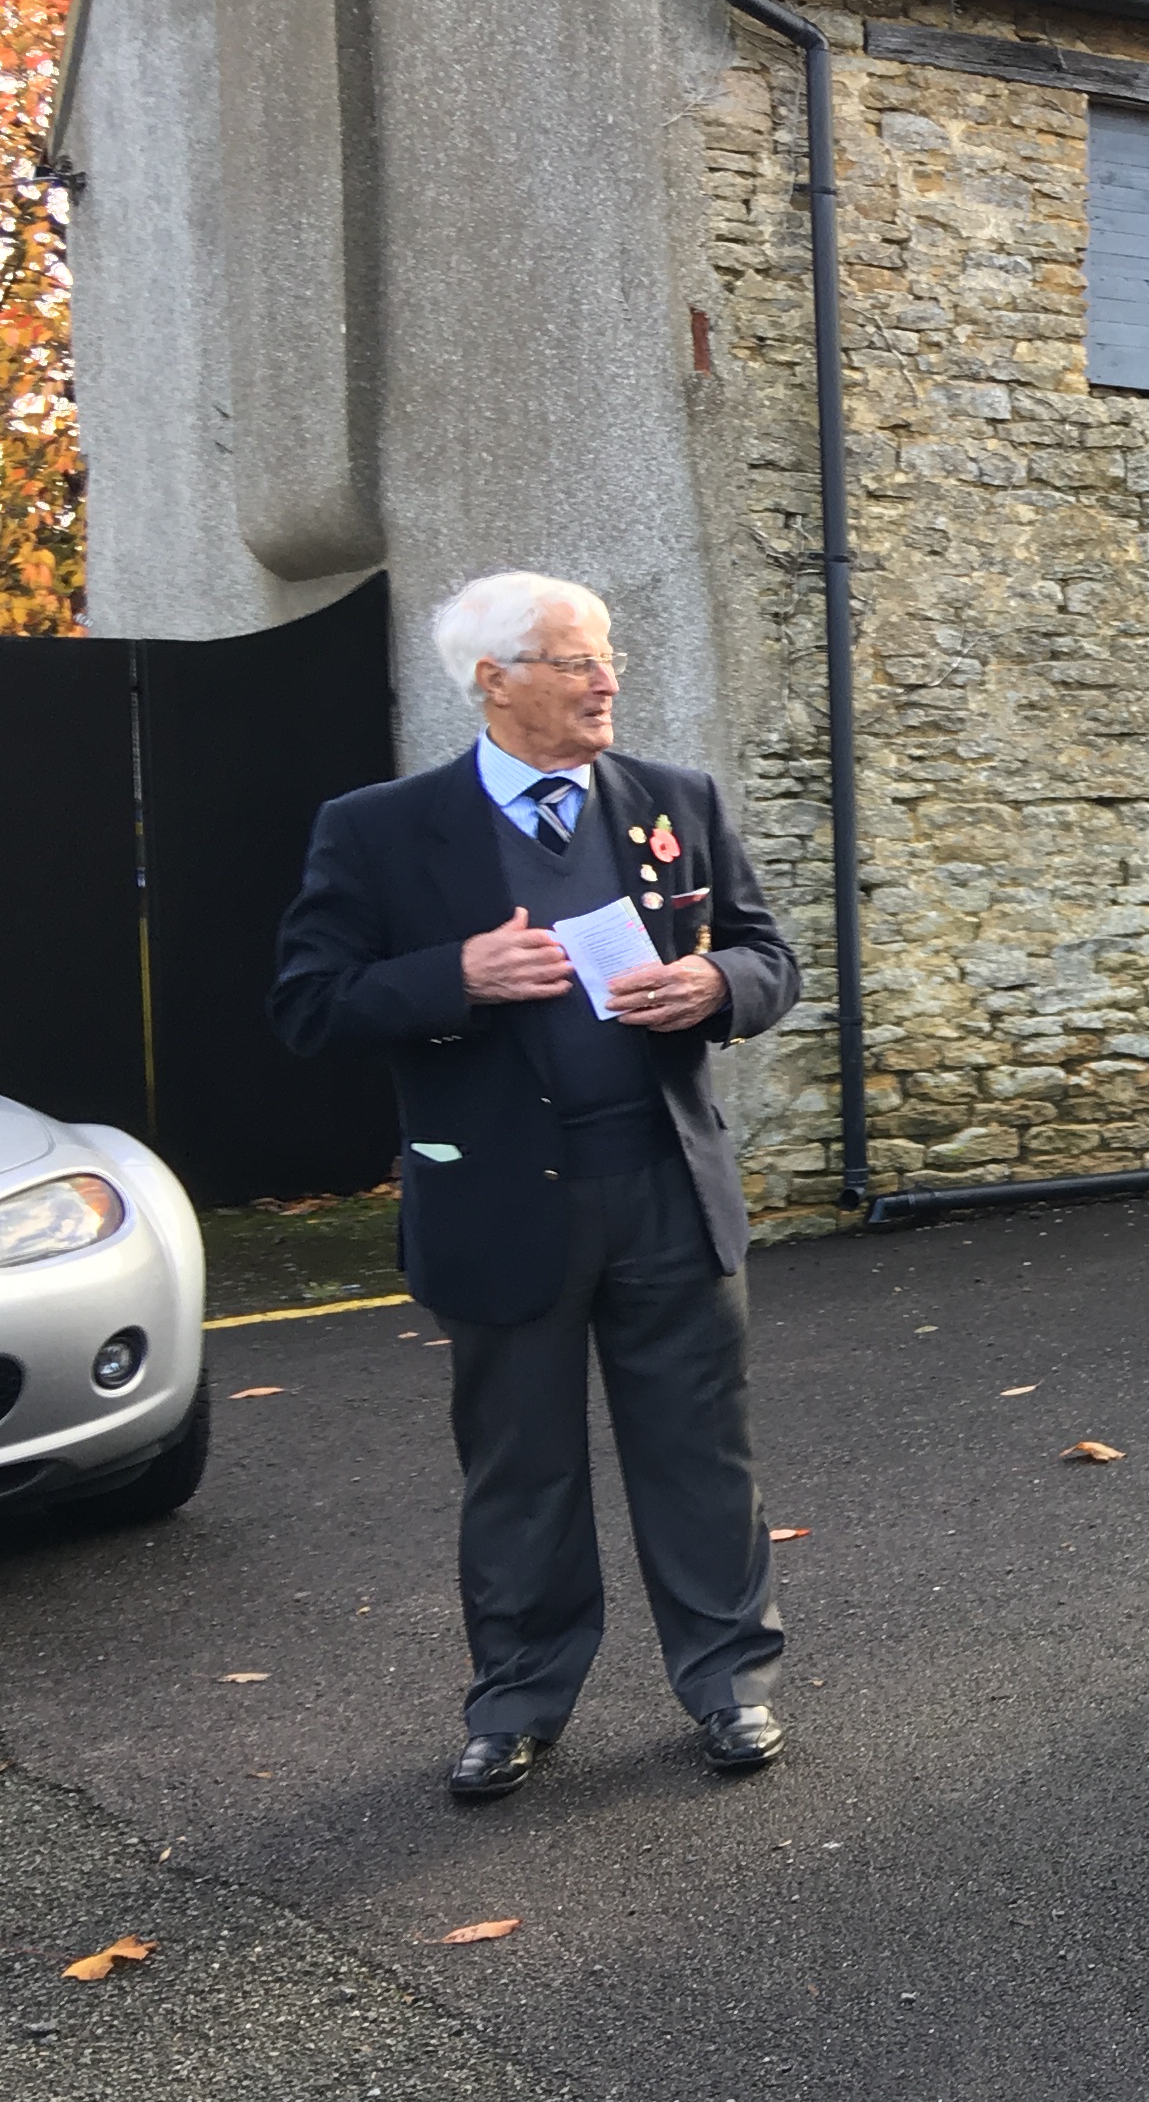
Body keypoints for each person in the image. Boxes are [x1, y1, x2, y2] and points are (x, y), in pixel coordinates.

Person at [269, 571, 802, 1799]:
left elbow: (767, 955)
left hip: (664, 1183)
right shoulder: (379, 828)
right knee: (521, 1467)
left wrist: (717, 987)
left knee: (702, 1454)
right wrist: (453, 974)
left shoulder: (675, 799)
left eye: (608, 657)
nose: (606, 681)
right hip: (501, 1201)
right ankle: (516, 1701)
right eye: (575, 662)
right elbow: (307, 1003)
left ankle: (731, 1685)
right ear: (493, 682)